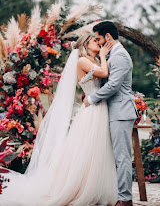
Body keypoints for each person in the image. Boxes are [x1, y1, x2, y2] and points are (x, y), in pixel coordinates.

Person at [0, 34, 118, 206]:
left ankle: (93, 189)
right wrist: (103, 56)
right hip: (92, 110)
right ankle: (80, 190)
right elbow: (104, 73)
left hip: (98, 107)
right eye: (94, 41)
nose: (98, 43)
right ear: (86, 44)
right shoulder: (82, 61)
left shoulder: (94, 60)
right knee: (88, 150)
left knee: (96, 150)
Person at [84, 21, 138, 206]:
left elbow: (114, 86)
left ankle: (125, 199)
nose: (98, 42)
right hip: (115, 111)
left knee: (122, 156)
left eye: (98, 38)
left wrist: (91, 99)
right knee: (116, 155)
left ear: (108, 37)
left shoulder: (120, 56)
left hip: (121, 111)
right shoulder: (112, 55)